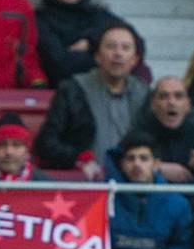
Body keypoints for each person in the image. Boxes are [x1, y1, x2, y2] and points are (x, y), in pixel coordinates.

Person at [36, 24, 151, 177]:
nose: (118, 53)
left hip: (134, 181)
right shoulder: (72, 90)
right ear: (97, 56)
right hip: (87, 181)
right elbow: (46, 143)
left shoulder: (145, 94)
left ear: (134, 59)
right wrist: (78, 159)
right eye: (111, 46)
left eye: (125, 48)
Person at [34, 0, 133, 87]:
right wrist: (102, 55)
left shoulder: (98, 12)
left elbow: (134, 41)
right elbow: (60, 66)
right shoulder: (39, 18)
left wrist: (92, 43)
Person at [111, 133, 194, 249]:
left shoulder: (178, 205)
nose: (137, 164)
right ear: (122, 165)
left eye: (144, 158)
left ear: (156, 164)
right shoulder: (107, 201)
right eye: (130, 158)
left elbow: (181, 247)